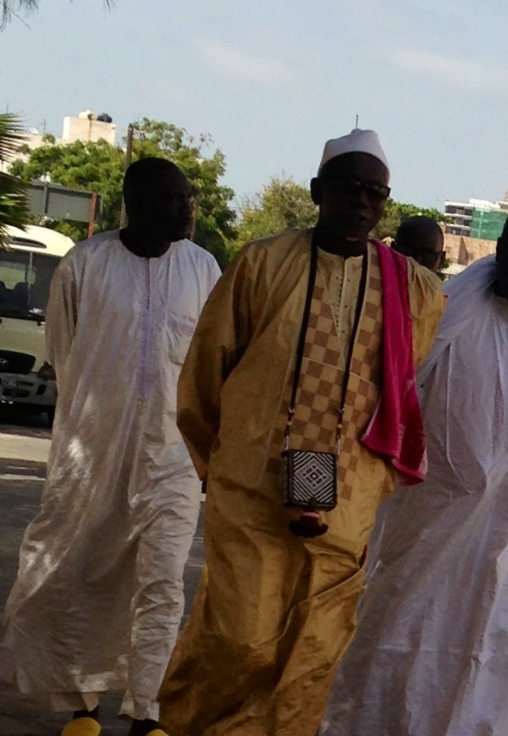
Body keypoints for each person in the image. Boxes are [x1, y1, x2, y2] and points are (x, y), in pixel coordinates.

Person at [158, 130, 445, 736]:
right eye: (347, 188)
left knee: (312, 656)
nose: (360, 202)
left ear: (384, 203)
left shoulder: (413, 289)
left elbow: (406, 386)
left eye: (374, 193)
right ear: (318, 192)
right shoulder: (260, 263)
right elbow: (206, 374)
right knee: (239, 639)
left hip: (349, 498)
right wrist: (221, 467)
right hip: (252, 489)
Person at [0, 157, 221, 736]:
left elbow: (210, 364)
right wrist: (102, 418)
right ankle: (83, 708)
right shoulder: (84, 265)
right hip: (92, 452)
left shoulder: (203, 269)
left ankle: (148, 712)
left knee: (164, 581)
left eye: (187, 197)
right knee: (79, 573)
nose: (185, 208)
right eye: (173, 199)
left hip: (172, 455)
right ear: (136, 203)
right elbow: (68, 354)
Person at [320, 220, 508, 736]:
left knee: (486, 664)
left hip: (499, 554)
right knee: (398, 651)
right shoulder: (450, 315)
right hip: (424, 536)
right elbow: (386, 412)